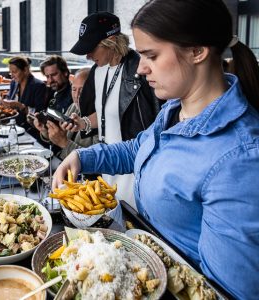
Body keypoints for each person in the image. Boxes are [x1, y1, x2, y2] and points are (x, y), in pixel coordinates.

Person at [53, 0, 259, 298]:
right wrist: (81, 156)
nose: (139, 68)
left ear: (197, 51)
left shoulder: (241, 159)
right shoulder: (174, 108)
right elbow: (139, 147)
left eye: (151, 55)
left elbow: (226, 289)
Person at [66, 12, 160, 207]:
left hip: (133, 169)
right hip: (107, 166)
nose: (88, 55)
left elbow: (156, 123)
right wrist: (82, 123)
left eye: (92, 48)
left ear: (111, 41)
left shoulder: (140, 72)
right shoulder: (97, 71)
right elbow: (105, 116)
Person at [34, 68, 98, 159]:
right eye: (74, 89)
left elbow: (96, 160)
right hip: (64, 162)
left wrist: (64, 143)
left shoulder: (100, 118)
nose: (76, 96)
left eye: (82, 90)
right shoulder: (74, 107)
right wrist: (45, 131)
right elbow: (59, 138)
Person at [1, 56, 47, 127]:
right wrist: (4, 102)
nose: (12, 76)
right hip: (13, 124)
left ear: (25, 70)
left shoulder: (39, 86)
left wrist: (20, 106)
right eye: (10, 72)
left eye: (14, 72)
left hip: (29, 128)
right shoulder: (14, 83)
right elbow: (9, 98)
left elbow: (39, 114)